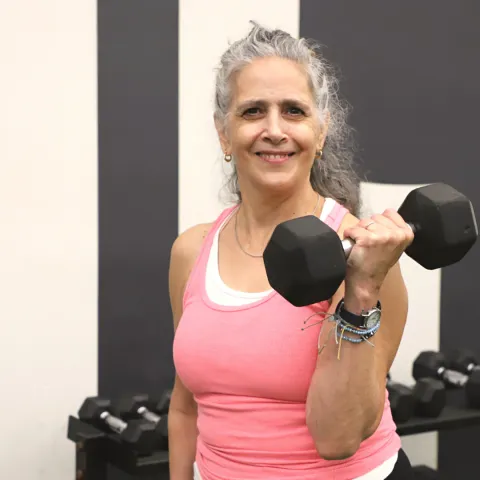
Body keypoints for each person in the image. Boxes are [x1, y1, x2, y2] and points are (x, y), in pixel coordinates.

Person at [168, 22, 415, 480]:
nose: (274, 130)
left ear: (320, 133)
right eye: (253, 111)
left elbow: (337, 438)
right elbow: (186, 410)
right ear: (224, 134)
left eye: (294, 111)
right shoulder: (192, 250)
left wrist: (361, 291)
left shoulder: (361, 253)